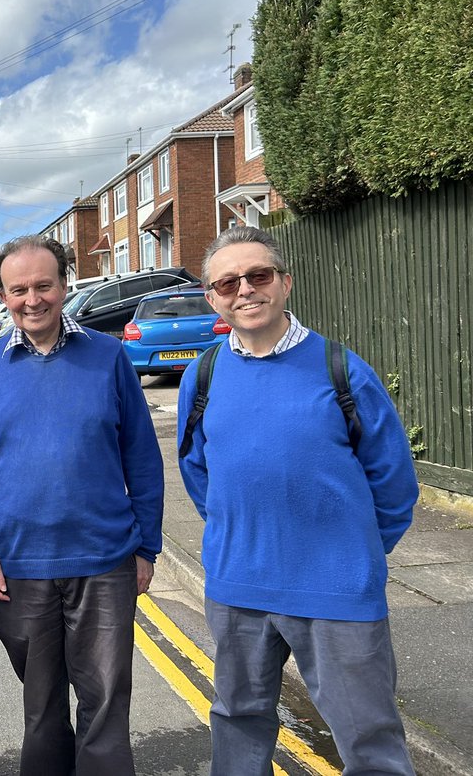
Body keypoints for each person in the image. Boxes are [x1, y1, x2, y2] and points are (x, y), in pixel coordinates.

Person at [178, 226, 418, 776]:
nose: (245, 290)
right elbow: (197, 470)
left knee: (369, 736)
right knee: (237, 723)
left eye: (258, 275)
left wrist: (352, 553)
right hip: (238, 587)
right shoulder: (204, 374)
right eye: (228, 282)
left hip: (337, 590)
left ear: (284, 282)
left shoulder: (342, 368)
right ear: (213, 297)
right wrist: (233, 533)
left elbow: (395, 483)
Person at [0, 235, 164, 776]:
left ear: (65, 285)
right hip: (19, 566)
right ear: (3, 295)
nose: (32, 299)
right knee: (41, 708)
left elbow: (141, 456)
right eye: (18, 289)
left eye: (43, 285)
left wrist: (148, 544)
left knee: (106, 702)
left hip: (104, 560)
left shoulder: (109, 356)